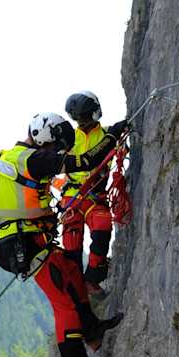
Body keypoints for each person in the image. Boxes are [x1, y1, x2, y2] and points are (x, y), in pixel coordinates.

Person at [0, 113, 123, 357]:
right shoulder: (33, 159)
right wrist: (113, 137)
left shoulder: (14, 157)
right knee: (64, 305)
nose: (57, 153)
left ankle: (92, 328)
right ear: (43, 140)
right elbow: (84, 162)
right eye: (55, 147)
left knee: (71, 271)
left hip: (20, 238)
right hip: (22, 242)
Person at [59, 91, 128, 299]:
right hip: (72, 197)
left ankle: (93, 277)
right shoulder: (69, 139)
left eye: (86, 117)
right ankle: (76, 287)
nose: (83, 122)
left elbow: (118, 153)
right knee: (71, 247)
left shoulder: (108, 134)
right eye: (80, 118)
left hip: (93, 196)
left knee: (102, 226)